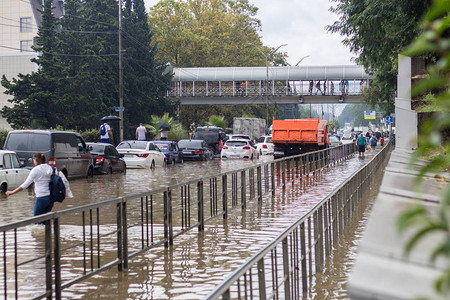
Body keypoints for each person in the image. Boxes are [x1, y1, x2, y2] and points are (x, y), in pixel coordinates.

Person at [6, 152, 54, 216]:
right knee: (46, 219)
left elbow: (26, 184)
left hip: (41, 197)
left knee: (37, 220)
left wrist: (12, 192)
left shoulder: (35, 170)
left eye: (33, 159)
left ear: (36, 159)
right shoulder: (50, 168)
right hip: (50, 198)